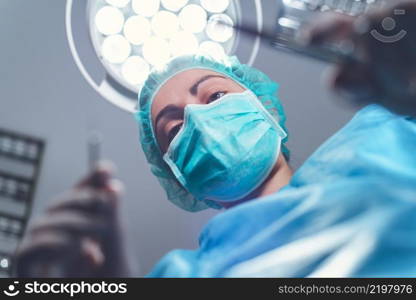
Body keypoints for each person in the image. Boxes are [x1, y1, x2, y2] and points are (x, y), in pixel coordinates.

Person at [14, 2, 416, 277]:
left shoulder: (386, 133)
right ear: (179, 177)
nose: (198, 118)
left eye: (217, 96)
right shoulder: (182, 276)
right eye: (174, 130)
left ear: (264, 109)